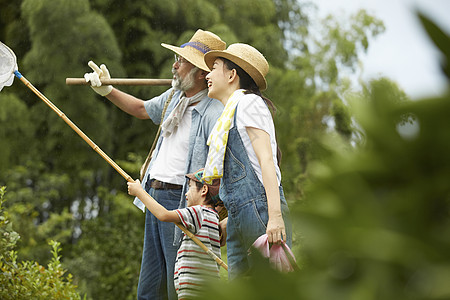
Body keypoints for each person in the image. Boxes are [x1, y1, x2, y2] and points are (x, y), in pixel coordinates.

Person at [84, 30, 225, 300]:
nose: (174, 65)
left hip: (182, 201)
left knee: (178, 286)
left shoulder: (213, 111)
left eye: (181, 61)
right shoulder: (174, 97)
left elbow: (218, 166)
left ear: (199, 73)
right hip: (153, 194)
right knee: (150, 285)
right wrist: (107, 90)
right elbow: (141, 109)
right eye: (176, 58)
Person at [201, 43, 292, 279]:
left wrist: (275, 216)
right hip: (241, 215)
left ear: (232, 75)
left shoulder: (248, 103)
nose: (207, 75)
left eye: (214, 68)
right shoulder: (229, 113)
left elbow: (266, 160)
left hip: (261, 209)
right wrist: (231, 222)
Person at [127, 168, 222, 300]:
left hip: (193, 289)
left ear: (204, 190)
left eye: (189, 187)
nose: (186, 194)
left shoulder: (197, 212)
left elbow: (164, 215)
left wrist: (139, 193)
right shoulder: (213, 217)